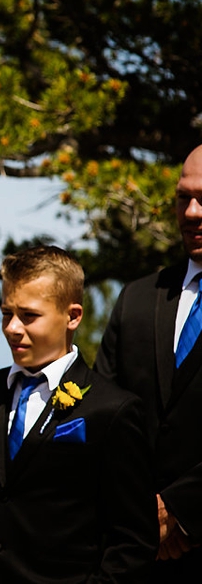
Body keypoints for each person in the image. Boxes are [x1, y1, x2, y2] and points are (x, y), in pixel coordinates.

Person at [0, 245, 157, 583]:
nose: (12, 328)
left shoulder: (112, 410)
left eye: (28, 315)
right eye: (5, 313)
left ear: (73, 316)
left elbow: (132, 541)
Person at [95, 144, 202, 581]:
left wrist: (182, 508)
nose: (192, 212)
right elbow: (102, 415)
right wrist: (139, 511)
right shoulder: (138, 298)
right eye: (183, 197)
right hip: (133, 558)